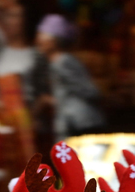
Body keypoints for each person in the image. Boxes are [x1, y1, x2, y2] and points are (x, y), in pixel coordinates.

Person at [35, 13, 105, 141]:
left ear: (54, 41)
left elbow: (89, 91)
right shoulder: (55, 62)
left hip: (80, 124)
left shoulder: (63, 62)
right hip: (72, 123)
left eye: (42, 36)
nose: (38, 40)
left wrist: (54, 100)